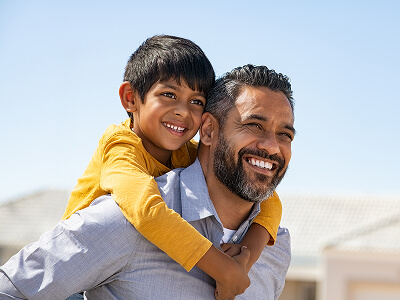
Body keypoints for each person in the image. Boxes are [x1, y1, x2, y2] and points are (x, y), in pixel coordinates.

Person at [0, 64, 294, 299]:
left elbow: (269, 201)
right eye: (254, 125)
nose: (272, 146)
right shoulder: (125, 214)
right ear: (207, 131)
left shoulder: (276, 247)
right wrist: (226, 270)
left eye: (285, 134)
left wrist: (249, 254)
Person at [55, 35, 283, 297]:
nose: (183, 112)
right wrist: (223, 269)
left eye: (196, 101)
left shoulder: (184, 152)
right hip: (73, 276)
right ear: (131, 98)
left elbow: (270, 201)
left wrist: (245, 258)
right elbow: (147, 211)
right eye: (168, 95)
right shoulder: (120, 149)